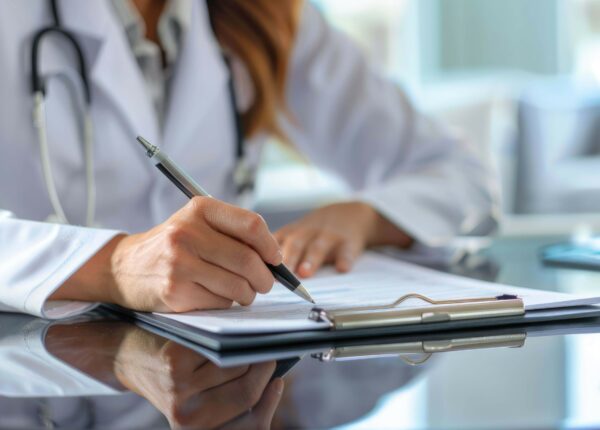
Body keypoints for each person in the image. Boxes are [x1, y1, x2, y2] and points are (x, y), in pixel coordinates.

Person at [0, 0, 496, 319]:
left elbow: (465, 179)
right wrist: (114, 266)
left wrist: (368, 216)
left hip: (214, 381)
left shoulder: (266, 15)